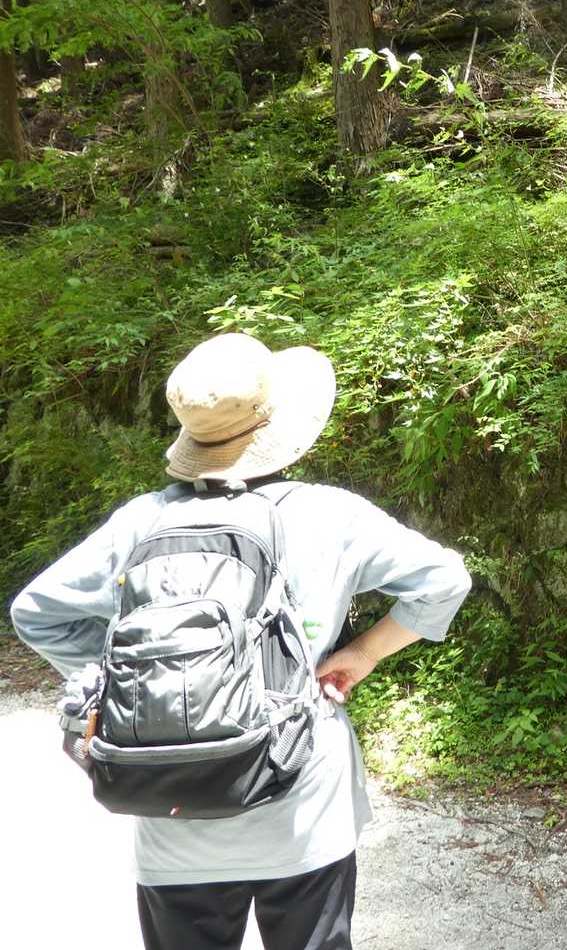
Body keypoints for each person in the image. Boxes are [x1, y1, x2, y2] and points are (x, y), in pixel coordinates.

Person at [10, 332, 472, 950]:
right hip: (303, 806)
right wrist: (361, 653)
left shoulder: (142, 521)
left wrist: (135, 681)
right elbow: (445, 581)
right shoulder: (330, 514)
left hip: (171, 812)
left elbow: (37, 612)